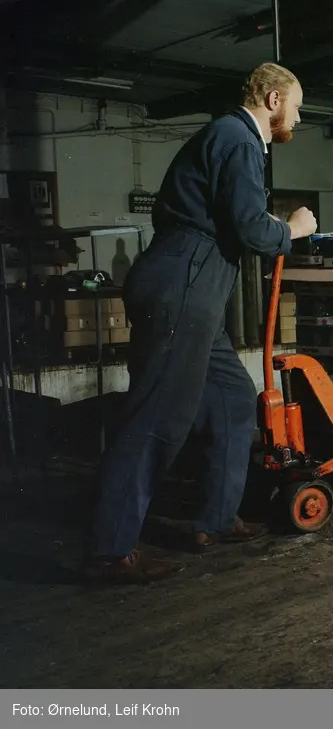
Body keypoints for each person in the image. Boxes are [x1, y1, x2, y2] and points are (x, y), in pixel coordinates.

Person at [83, 62, 318, 584]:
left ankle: (214, 518)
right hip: (184, 282)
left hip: (198, 286)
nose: (298, 120)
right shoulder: (237, 137)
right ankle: (108, 551)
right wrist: (295, 229)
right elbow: (253, 230)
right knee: (157, 417)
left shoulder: (235, 140)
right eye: (297, 108)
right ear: (275, 99)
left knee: (233, 398)